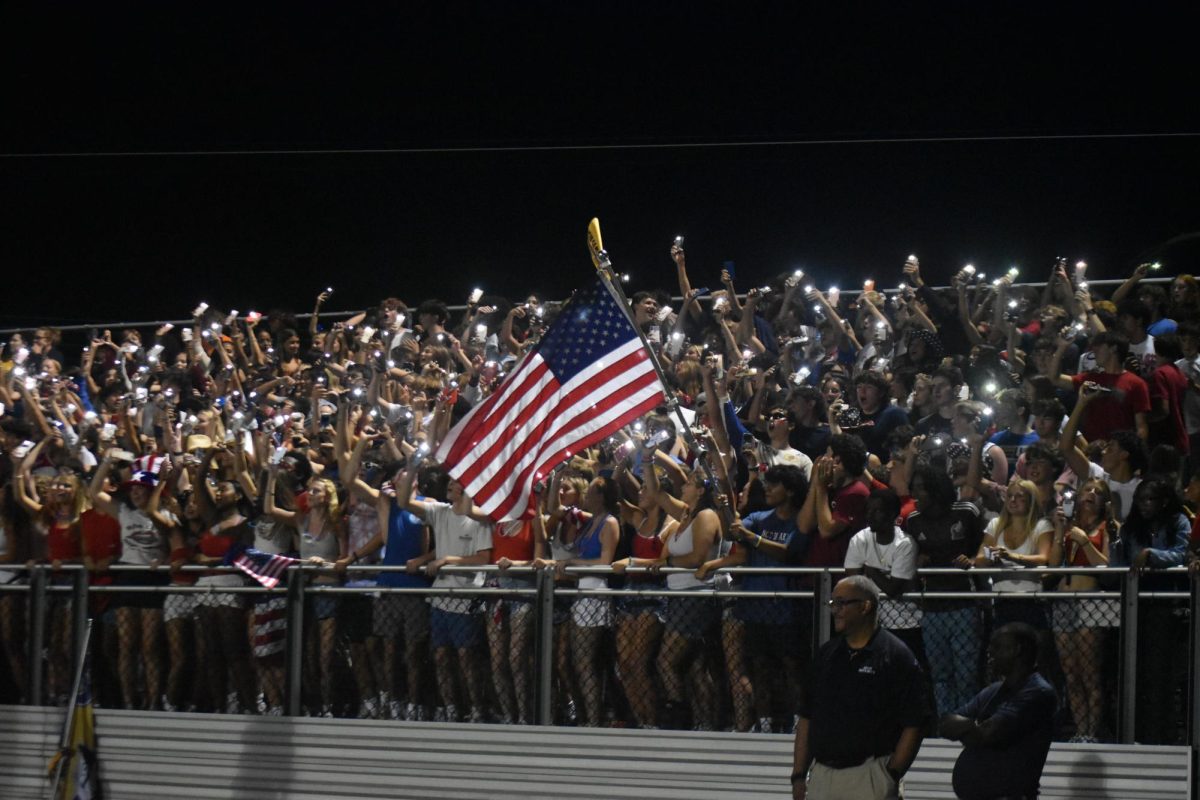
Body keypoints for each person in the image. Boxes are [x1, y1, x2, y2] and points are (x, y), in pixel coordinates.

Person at [791, 575, 926, 800]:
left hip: (869, 776)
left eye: (842, 603)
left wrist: (890, 774)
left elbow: (915, 723)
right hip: (822, 776)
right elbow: (807, 717)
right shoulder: (827, 654)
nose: (835, 610)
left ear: (865, 606)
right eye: (833, 603)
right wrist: (798, 775)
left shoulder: (896, 656)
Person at [396, 466, 493, 724]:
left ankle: (476, 708)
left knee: (466, 658)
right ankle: (451, 707)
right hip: (441, 597)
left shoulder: (478, 520)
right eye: (450, 481)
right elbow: (404, 501)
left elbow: (484, 558)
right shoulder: (439, 511)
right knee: (440, 656)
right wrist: (412, 466)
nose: (450, 485)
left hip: (465, 596)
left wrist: (448, 559)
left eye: (457, 482)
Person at [940, 622, 1058, 800]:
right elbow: (944, 723)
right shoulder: (993, 691)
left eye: (996, 647)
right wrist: (976, 727)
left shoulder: (1037, 692)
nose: (989, 653)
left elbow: (988, 734)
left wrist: (969, 730)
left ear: (1017, 650)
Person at [1047, 478, 1117, 742]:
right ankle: (1080, 731)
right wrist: (1058, 530)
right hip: (1064, 599)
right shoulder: (1069, 526)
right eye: (1087, 489)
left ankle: (1093, 730)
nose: (1091, 494)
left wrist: (1086, 542)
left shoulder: (1107, 527)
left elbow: (1107, 567)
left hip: (1091, 600)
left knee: (1090, 671)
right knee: (1070, 671)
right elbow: (1054, 566)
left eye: (1098, 492)